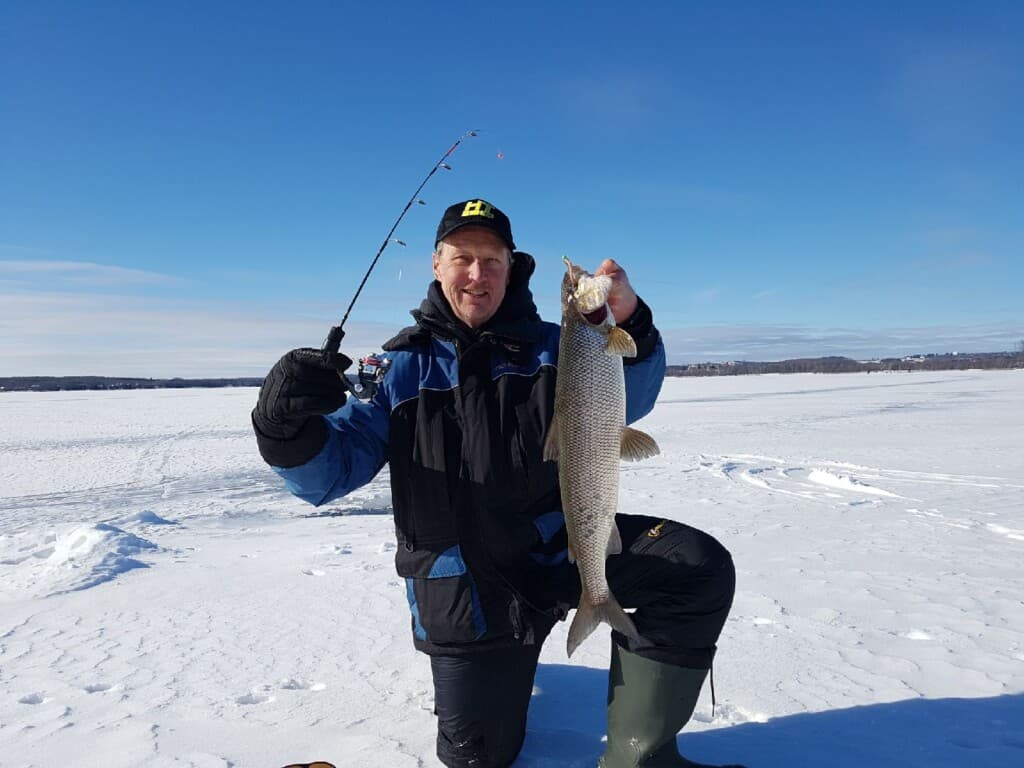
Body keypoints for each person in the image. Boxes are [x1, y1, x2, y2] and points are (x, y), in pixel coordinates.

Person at [252, 200, 739, 768]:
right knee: (480, 758)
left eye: (492, 259)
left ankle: (641, 757)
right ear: (437, 264)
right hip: (467, 595)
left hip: (559, 551)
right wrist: (283, 430)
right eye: (463, 258)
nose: (477, 274)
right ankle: (506, 667)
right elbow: (328, 475)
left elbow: (632, 393)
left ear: (512, 267)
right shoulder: (401, 370)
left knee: (695, 566)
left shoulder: (558, 347)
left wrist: (629, 321)